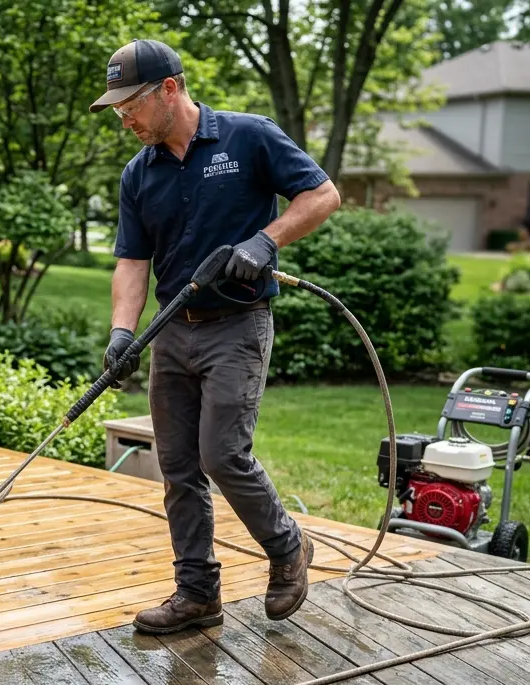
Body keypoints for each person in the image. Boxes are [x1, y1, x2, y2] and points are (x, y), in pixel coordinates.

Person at [90, 39, 341, 633]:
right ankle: (197, 593)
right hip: (171, 330)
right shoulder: (138, 173)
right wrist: (122, 333)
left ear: (169, 90)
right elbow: (131, 260)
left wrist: (267, 239)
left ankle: (288, 550)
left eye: (130, 104)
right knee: (177, 465)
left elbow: (323, 194)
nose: (123, 117)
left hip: (238, 326)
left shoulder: (247, 136)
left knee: (223, 454)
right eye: (118, 107)